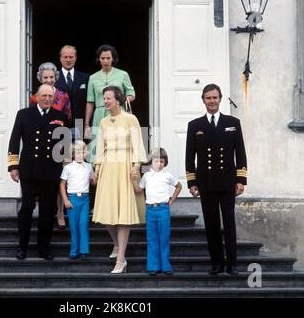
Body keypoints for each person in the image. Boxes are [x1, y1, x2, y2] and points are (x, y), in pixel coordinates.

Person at [185, 83, 247, 276]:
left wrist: (240, 180)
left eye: (215, 97)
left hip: (228, 182)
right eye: (208, 98)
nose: (211, 101)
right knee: (211, 225)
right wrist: (192, 182)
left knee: (229, 223)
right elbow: (189, 156)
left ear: (220, 99)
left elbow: (241, 153)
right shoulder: (195, 125)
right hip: (206, 183)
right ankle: (217, 263)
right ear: (203, 100)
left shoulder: (232, 123)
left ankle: (232, 264)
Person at [8, 84, 68, 260]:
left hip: (50, 170)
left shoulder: (61, 117)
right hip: (28, 169)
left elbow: (63, 147)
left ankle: (44, 248)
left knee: (47, 211)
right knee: (27, 207)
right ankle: (22, 246)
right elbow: (14, 141)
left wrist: (64, 171)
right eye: (44, 96)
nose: (48, 99)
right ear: (36, 97)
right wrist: (13, 166)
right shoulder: (24, 114)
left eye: (51, 96)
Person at [93, 85, 147, 274]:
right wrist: (97, 167)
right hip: (108, 166)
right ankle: (116, 244)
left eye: (108, 98)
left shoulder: (130, 119)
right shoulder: (103, 122)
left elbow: (138, 145)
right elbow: (100, 146)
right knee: (106, 212)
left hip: (125, 165)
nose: (105, 101)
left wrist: (136, 165)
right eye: (104, 98)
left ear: (118, 100)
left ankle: (121, 259)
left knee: (123, 213)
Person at [30, 62, 72, 229]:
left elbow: (68, 120)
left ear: (56, 78)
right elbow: (32, 121)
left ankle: (60, 212)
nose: (48, 80)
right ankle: (45, 212)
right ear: (40, 79)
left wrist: (68, 147)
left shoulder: (64, 96)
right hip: (42, 145)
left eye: (51, 77)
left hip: (60, 144)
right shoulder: (34, 97)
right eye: (45, 77)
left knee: (61, 179)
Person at [132, 148, 182, 276]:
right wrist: (133, 180)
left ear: (165, 162)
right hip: (150, 210)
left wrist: (171, 200)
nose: (158, 164)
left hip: (163, 209)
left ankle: (165, 266)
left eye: (161, 161)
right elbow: (138, 190)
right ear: (151, 162)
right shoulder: (147, 176)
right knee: (152, 239)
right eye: (156, 161)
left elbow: (179, 186)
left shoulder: (167, 175)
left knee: (164, 238)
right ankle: (153, 266)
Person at [85, 44, 135, 162]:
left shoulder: (123, 74)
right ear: (99, 59)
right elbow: (90, 102)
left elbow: (131, 94)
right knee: (98, 145)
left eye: (108, 58)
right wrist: (87, 124)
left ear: (113, 58)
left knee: (118, 144)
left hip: (118, 112)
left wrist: (118, 101)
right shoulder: (93, 78)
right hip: (99, 114)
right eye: (103, 58)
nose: (106, 61)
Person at [60, 140, 96, 260]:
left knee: (84, 223)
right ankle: (74, 250)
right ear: (73, 154)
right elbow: (62, 184)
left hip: (85, 199)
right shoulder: (68, 168)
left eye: (84, 152)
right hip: (73, 199)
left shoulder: (89, 167)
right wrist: (65, 200)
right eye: (79, 152)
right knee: (74, 225)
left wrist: (95, 178)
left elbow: (93, 182)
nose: (82, 155)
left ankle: (84, 250)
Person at [55, 45, 89, 139]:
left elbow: (89, 101)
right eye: (65, 57)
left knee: (78, 151)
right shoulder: (53, 78)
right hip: (60, 122)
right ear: (60, 58)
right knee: (62, 153)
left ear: (76, 58)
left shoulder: (85, 78)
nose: (68, 59)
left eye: (71, 57)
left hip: (80, 122)